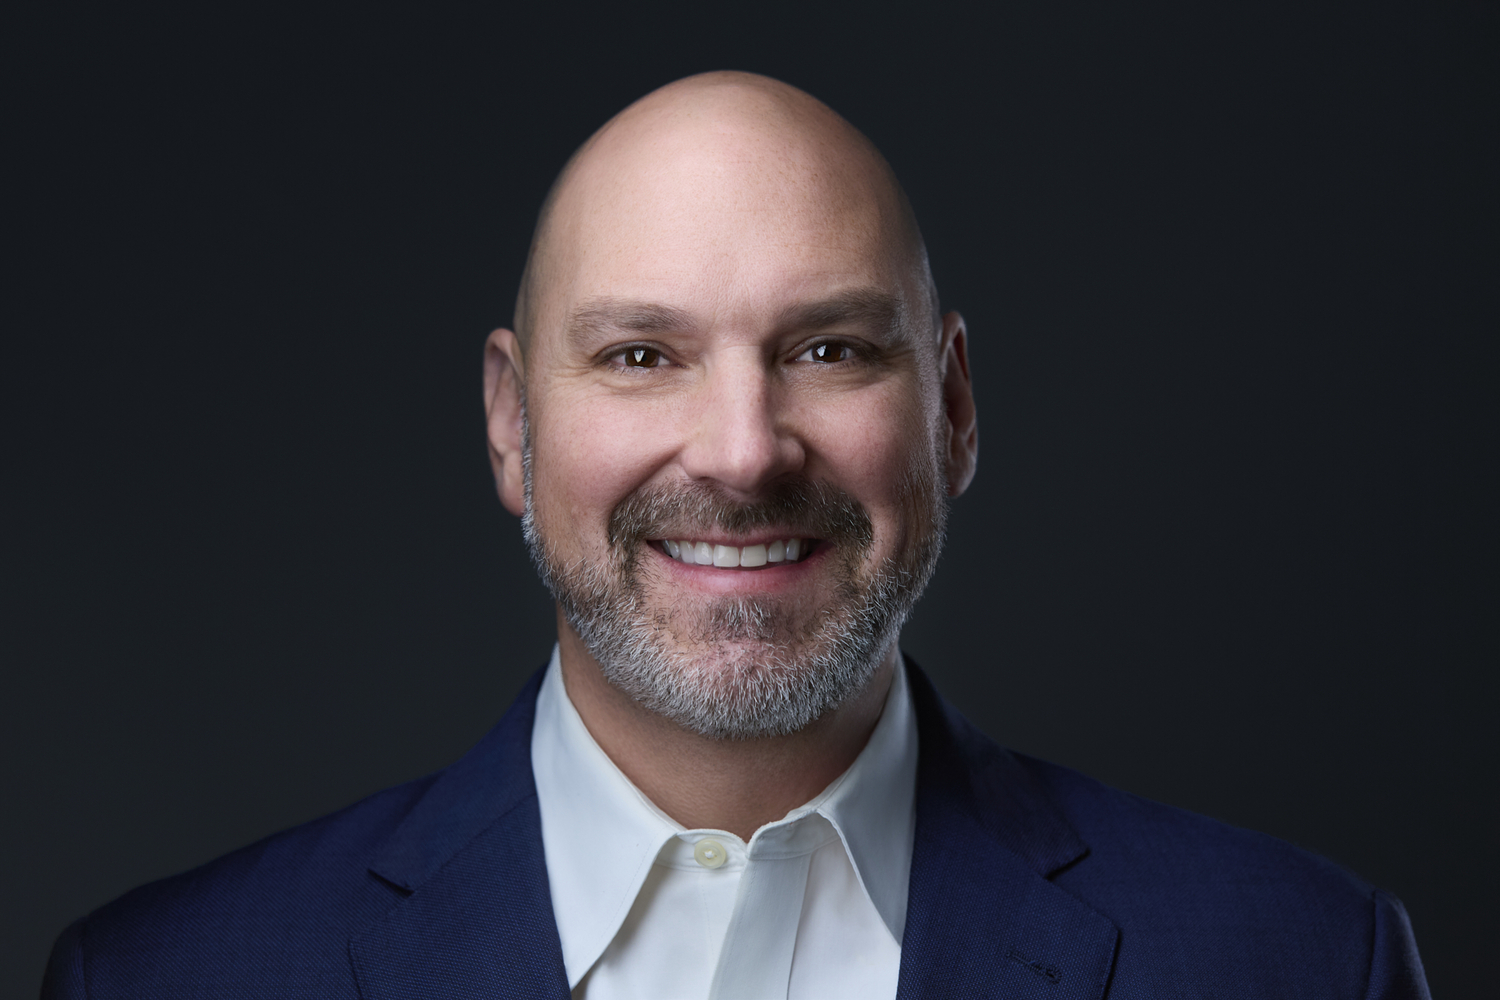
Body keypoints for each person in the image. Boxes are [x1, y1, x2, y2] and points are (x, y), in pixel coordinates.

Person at [43, 71, 1429, 999]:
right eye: (642, 356)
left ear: (951, 409)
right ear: (513, 425)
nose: (744, 450)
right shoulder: (165, 981)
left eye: (829, 348)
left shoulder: (1305, 964)